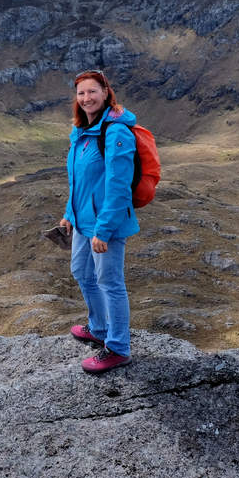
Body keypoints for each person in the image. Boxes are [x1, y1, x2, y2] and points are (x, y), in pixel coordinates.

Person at [58, 69, 139, 373]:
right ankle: (98, 328)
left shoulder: (115, 132)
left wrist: (103, 230)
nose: (86, 98)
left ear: (106, 92)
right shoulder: (81, 132)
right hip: (82, 222)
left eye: (92, 91)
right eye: (81, 93)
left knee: (110, 283)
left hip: (107, 225)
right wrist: (69, 214)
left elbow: (118, 188)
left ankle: (118, 348)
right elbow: (79, 182)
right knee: (82, 271)